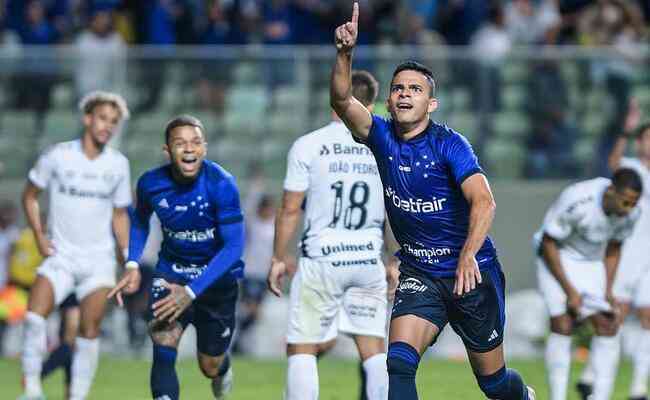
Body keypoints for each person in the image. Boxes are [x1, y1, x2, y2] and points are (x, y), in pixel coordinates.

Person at [329, 3, 535, 399]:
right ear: (388, 101)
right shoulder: (381, 137)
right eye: (399, 88)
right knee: (399, 363)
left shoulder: (450, 145)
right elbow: (342, 101)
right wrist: (344, 53)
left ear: (431, 104)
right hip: (419, 272)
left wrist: (468, 254)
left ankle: (522, 395)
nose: (405, 94)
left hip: (470, 273)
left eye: (416, 89)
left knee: (493, 384)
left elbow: (484, 202)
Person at [267, 69, 397, 400]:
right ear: (370, 104)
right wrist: (392, 260)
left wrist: (279, 257)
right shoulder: (385, 147)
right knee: (374, 351)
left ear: (335, 98)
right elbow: (394, 209)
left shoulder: (309, 144)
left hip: (322, 262)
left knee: (303, 349)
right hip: (367, 261)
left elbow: (290, 207)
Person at [109, 115, 245, 400]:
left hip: (216, 281)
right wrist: (132, 262)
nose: (188, 149)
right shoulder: (150, 184)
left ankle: (221, 369)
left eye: (195, 142)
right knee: (163, 341)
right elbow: (140, 221)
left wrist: (192, 291)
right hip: (172, 274)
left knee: (209, 365)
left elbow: (233, 248)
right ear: (167, 150)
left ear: (204, 149)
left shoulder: (221, 184)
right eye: (180, 143)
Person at [18, 91, 132, 400]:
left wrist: (129, 262)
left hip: (98, 260)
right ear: (87, 119)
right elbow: (29, 195)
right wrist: (39, 235)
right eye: (102, 118)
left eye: (113, 121)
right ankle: (32, 390)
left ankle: (77, 396)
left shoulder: (118, 165)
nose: (107, 125)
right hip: (61, 256)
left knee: (88, 331)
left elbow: (120, 215)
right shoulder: (58, 155)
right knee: (33, 315)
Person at [535, 169, 643, 400]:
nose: (629, 208)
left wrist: (608, 290)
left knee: (608, 324)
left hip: (592, 262)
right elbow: (548, 242)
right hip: (557, 258)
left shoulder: (633, 213)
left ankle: (600, 396)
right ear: (612, 191)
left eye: (633, 203)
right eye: (625, 202)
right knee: (563, 323)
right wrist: (570, 291)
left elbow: (614, 247)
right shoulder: (577, 198)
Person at [576, 107, 650, 400]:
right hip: (627, 252)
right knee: (613, 314)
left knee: (647, 316)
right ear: (639, 141)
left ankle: (638, 386)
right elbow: (613, 162)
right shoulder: (631, 170)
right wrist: (625, 129)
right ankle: (591, 375)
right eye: (647, 138)